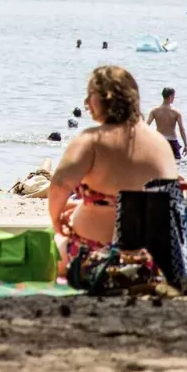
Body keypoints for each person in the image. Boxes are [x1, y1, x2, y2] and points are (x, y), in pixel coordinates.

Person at [50, 66, 178, 263]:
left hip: (101, 259)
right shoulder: (161, 142)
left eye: (90, 94)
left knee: (54, 241)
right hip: (156, 259)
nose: (85, 102)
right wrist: (89, 204)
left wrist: (56, 220)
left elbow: (59, 184)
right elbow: (133, 201)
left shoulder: (91, 140)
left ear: (106, 98)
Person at [147, 87, 187, 161]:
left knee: (159, 163)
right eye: (173, 97)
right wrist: (186, 145)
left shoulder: (154, 111)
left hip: (159, 141)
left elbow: (146, 126)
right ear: (170, 97)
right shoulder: (176, 112)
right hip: (172, 142)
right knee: (175, 165)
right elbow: (181, 129)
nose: (174, 98)